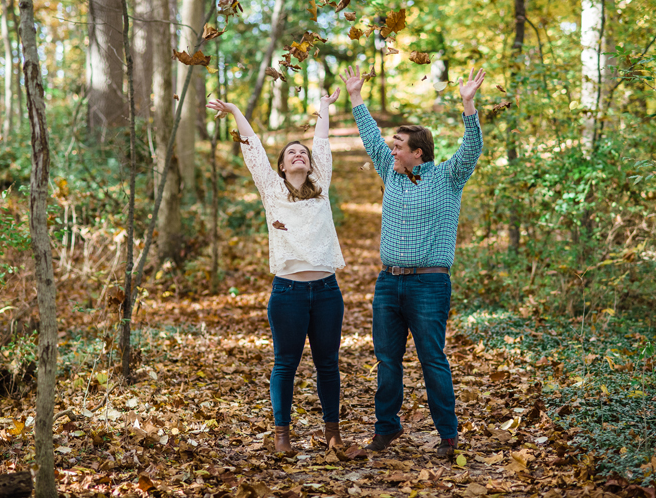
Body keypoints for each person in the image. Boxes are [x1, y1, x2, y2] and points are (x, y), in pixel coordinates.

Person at [338, 65, 485, 457]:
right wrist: (356, 97)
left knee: (432, 360)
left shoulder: (448, 177)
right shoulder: (392, 172)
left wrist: (468, 104)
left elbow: (472, 148)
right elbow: (371, 139)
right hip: (388, 283)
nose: (391, 150)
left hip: (429, 284)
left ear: (418, 153)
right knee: (387, 361)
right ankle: (386, 429)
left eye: (398, 146)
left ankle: (448, 435)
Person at [207, 90, 346, 453]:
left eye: (303, 153)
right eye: (290, 153)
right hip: (288, 294)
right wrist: (236, 109)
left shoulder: (322, 190)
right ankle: (282, 435)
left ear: (312, 165)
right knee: (285, 363)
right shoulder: (272, 190)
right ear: (282, 166)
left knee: (327, 365)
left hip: (328, 292)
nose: (299, 154)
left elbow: (322, 141)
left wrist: (325, 108)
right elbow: (252, 149)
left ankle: (333, 433)